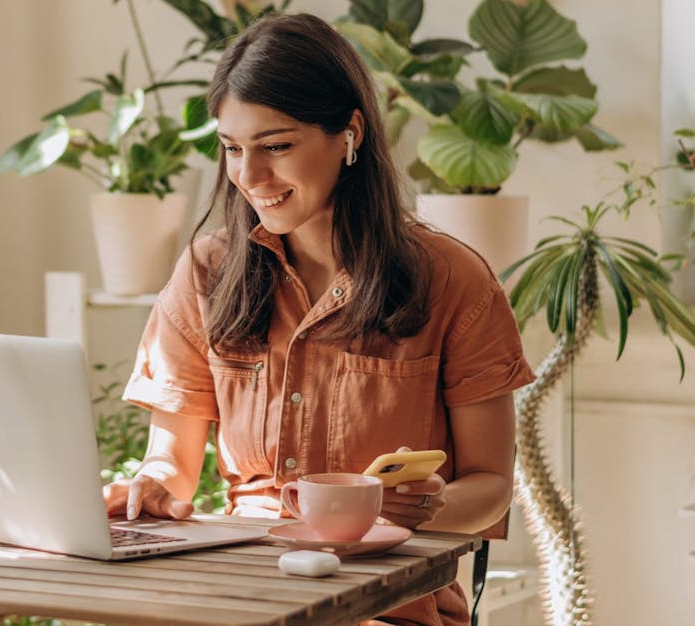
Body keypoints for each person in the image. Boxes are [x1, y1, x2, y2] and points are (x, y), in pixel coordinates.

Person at [102, 13, 535, 626]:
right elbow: (170, 464)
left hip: (389, 602)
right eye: (232, 148)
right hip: (238, 592)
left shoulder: (452, 279)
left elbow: (491, 482)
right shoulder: (208, 271)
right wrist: (148, 487)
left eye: (276, 146)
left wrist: (424, 509)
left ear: (349, 134)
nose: (250, 177)